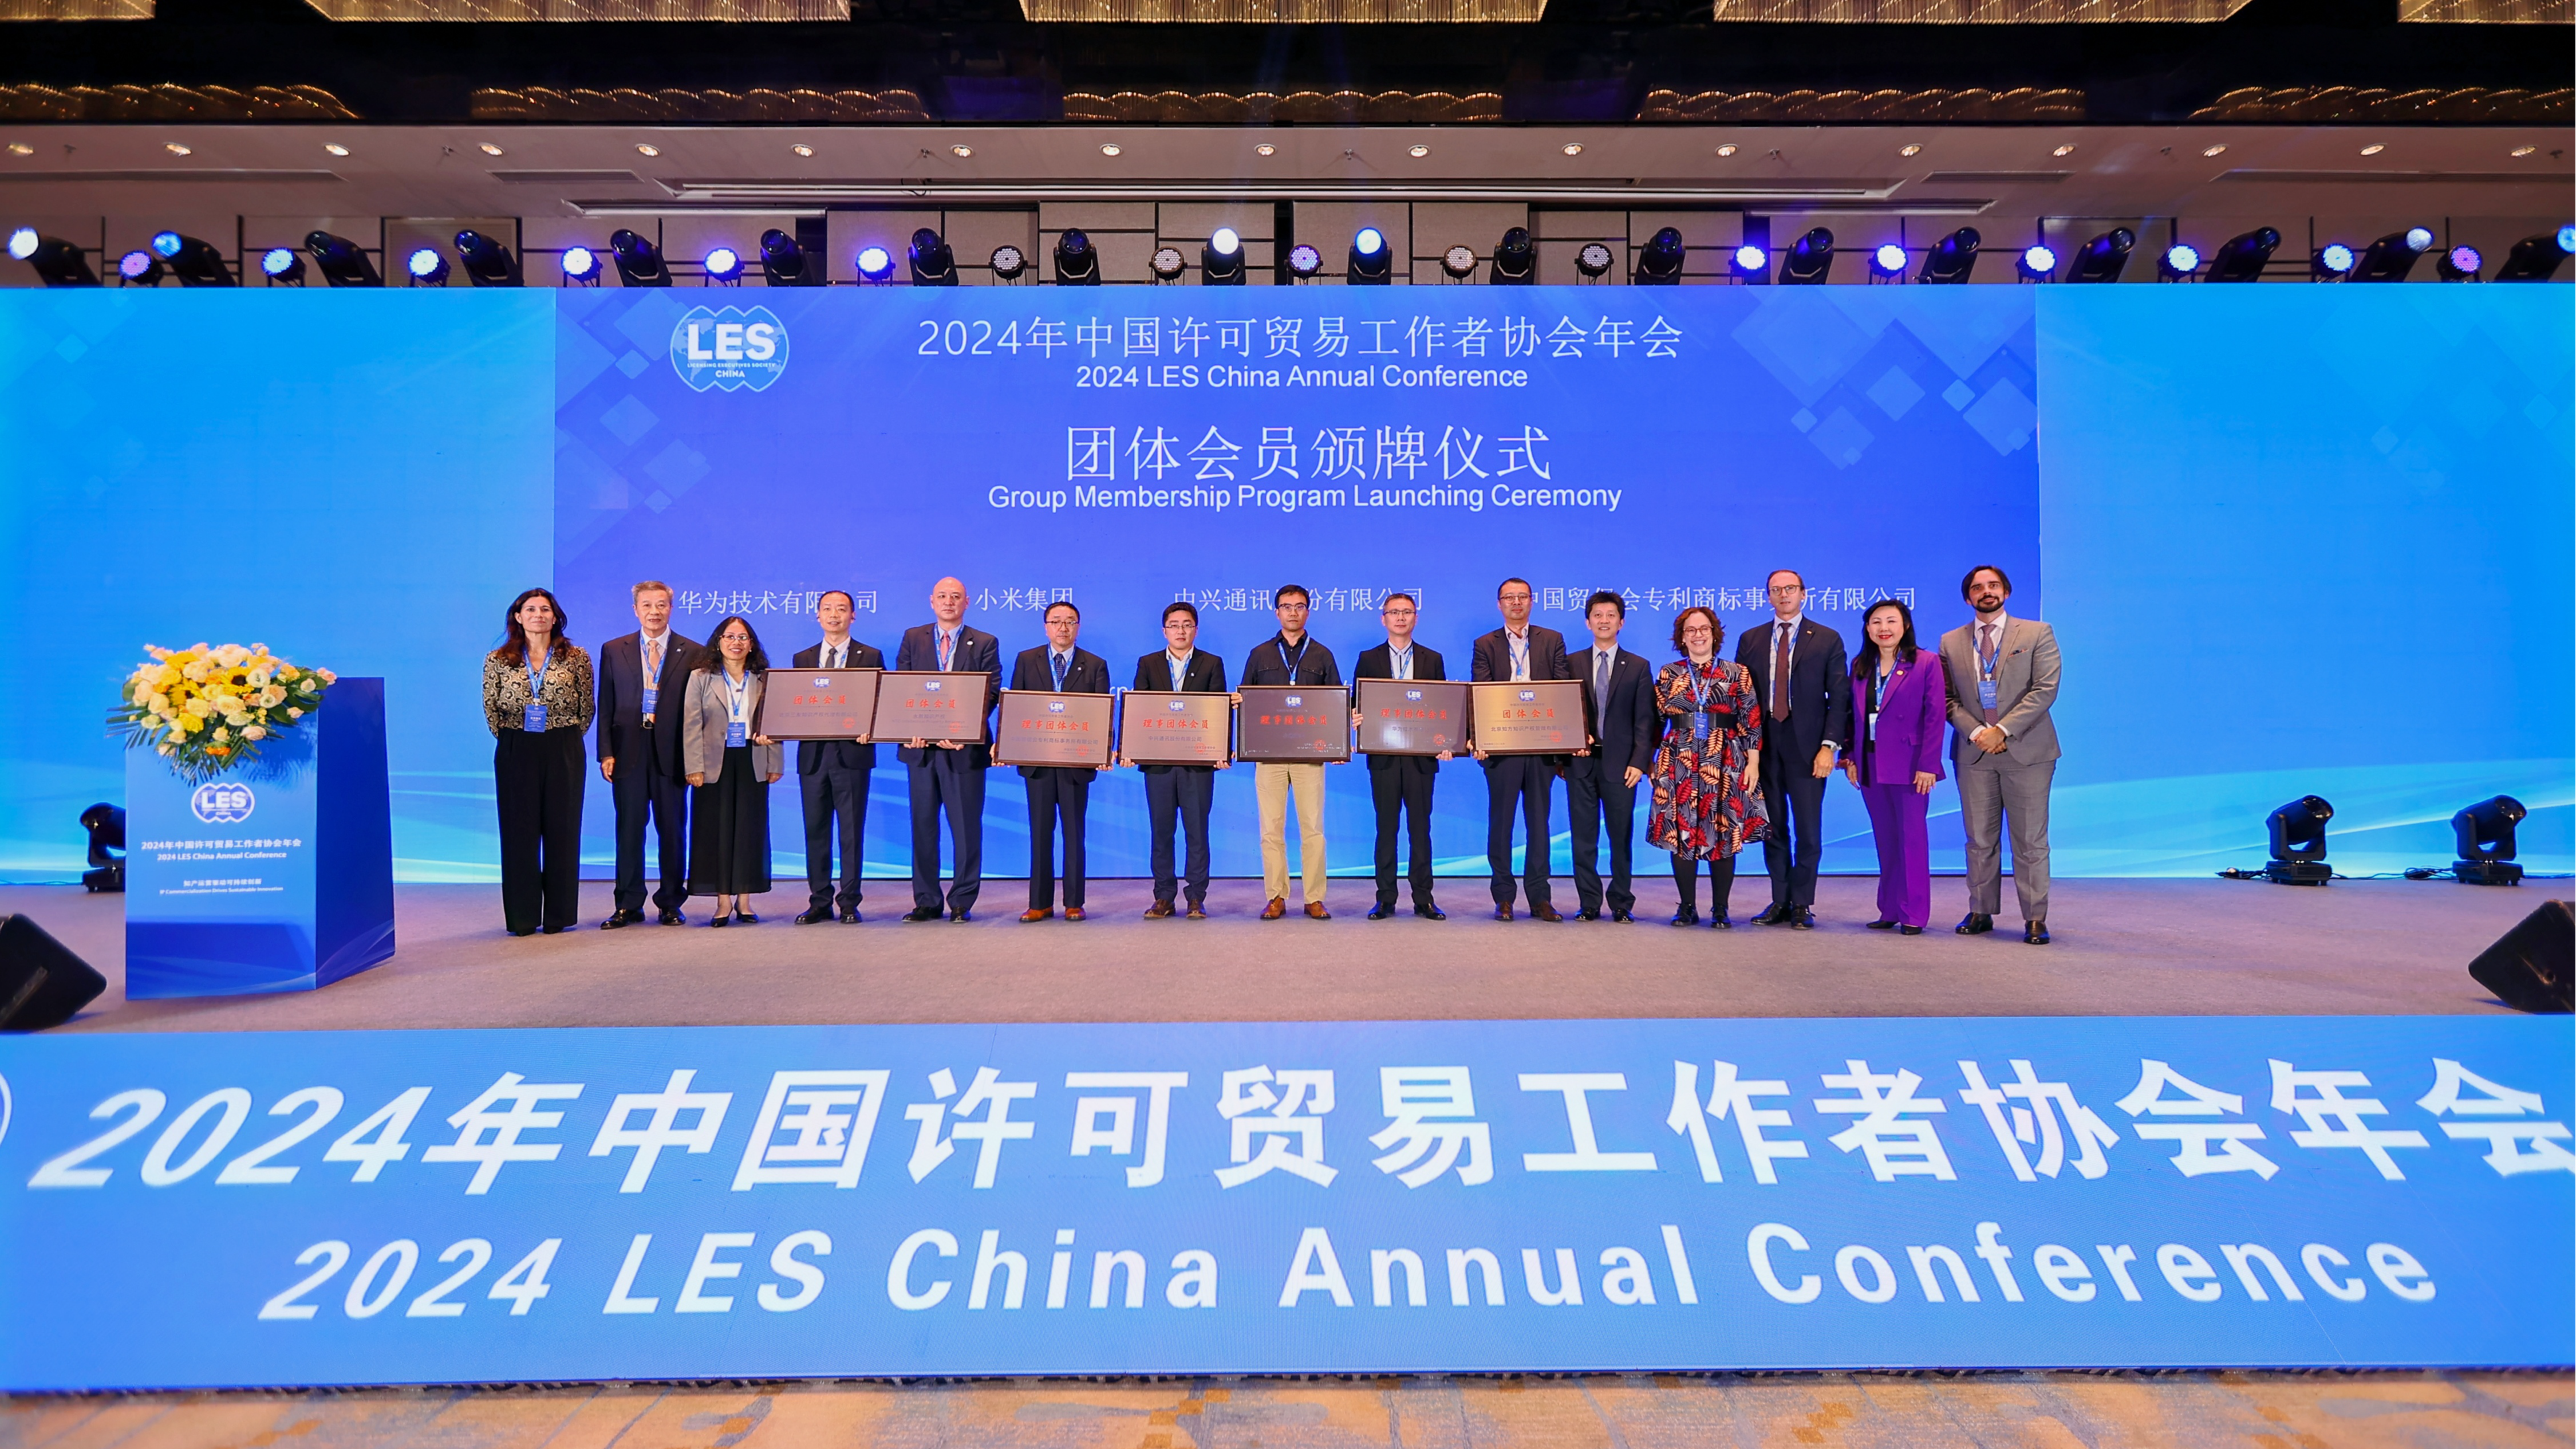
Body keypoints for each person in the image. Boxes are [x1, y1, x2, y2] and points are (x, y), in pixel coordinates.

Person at [1936, 565, 2062, 945]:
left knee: (2030, 841)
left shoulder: (2038, 633)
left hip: (2027, 751)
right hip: (1974, 753)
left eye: (1993, 586)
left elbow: (2045, 688)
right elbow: (1945, 698)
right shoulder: (1950, 642)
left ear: (2005, 593)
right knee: (1978, 839)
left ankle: (2035, 918)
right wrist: (1977, 733)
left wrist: (2001, 730)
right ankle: (1980, 910)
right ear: (1967, 598)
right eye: (1977, 588)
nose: (1985, 592)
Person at [1735, 569, 1849, 930]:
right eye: (1776, 590)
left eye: (1790, 589)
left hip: (1809, 748)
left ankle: (1802, 903)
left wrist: (1829, 746)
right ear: (1768, 597)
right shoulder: (1751, 639)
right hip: (1763, 747)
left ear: (1803, 594)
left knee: (1808, 829)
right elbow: (1743, 698)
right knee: (1774, 827)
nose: (1783, 595)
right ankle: (1780, 899)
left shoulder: (1827, 638)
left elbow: (1840, 698)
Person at [482, 587, 594, 936]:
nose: (539, 615)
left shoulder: (576, 657)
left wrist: (565, 733)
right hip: (517, 746)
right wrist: (519, 736)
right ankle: (523, 917)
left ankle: (558, 916)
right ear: (518, 617)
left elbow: (586, 707)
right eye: (531, 609)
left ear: (555, 617)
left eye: (546, 609)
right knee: (519, 834)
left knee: (563, 831)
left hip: (564, 745)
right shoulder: (497, 659)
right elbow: (491, 710)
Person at [1648, 606, 1765, 927]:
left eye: (1704, 629)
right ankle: (1687, 906)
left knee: (1724, 831)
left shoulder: (1736, 672)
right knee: (1681, 832)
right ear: (1682, 638)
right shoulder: (1668, 673)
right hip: (1679, 759)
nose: (1698, 635)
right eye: (1690, 630)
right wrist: (1651, 763)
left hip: (1725, 758)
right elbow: (1656, 722)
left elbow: (1751, 719)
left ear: (1715, 633)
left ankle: (1720, 908)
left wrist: (1752, 762)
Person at [596, 581, 704, 927]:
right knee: (629, 830)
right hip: (627, 752)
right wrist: (605, 752)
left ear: (671, 608)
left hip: (672, 754)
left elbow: (697, 712)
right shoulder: (614, 649)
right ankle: (628, 903)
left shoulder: (693, 651)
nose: (654, 612)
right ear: (635, 609)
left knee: (672, 830)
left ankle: (671, 902)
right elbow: (606, 704)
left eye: (661, 605)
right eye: (647, 605)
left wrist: (694, 758)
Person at [895, 577, 1002, 923]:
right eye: (942, 596)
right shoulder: (914, 638)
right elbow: (903, 684)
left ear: (967, 602)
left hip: (963, 751)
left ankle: (962, 901)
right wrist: (913, 728)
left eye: (955, 597)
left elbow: (991, 691)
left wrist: (964, 730)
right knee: (923, 826)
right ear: (931, 601)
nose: (948, 602)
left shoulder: (984, 642)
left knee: (966, 828)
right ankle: (926, 900)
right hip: (921, 751)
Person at [1841, 598, 1948, 935]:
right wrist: (1851, 759)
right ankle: (1889, 908)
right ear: (1868, 629)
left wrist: (1929, 764)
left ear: (1905, 626)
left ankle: (1914, 913)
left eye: (1891, 621)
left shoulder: (1927, 663)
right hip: (1871, 764)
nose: (1884, 628)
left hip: (1910, 765)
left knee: (1912, 841)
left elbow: (1935, 717)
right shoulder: (1861, 665)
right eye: (1876, 622)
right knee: (1886, 840)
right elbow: (1851, 718)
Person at [1470, 577, 1573, 922]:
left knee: (1539, 824)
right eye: (1509, 597)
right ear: (1499, 604)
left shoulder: (1552, 640)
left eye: (1522, 597)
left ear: (1533, 601)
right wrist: (1480, 740)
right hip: (1502, 749)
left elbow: (1562, 691)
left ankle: (1540, 897)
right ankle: (1503, 897)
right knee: (1501, 824)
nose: (1516, 602)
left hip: (1541, 747)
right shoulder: (1485, 644)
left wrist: (1565, 747)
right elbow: (1479, 694)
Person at [1241, 584, 1341, 921]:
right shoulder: (1259, 654)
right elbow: (1247, 704)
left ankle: (1314, 897)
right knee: (1271, 828)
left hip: (1309, 755)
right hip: (1269, 755)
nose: (1293, 612)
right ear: (1277, 612)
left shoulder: (1323, 655)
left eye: (1300, 606)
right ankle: (1276, 895)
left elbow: (1336, 704)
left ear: (1308, 611)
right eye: (1286, 606)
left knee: (1312, 828)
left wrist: (1339, 744)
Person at [1350, 591, 1449, 920]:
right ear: (1384, 618)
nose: (1401, 618)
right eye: (1394, 612)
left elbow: (1442, 708)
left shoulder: (1432, 659)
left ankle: (1424, 899)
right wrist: (1355, 718)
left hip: (1422, 758)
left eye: (1407, 612)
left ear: (1416, 618)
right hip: (1384, 758)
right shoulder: (1368, 658)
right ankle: (1386, 899)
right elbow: (1358, 706)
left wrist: (1447, 740)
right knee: (1386, 828)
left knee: (1421, 830)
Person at [1011, 599, 1111, 922]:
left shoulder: (1095, 665)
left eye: (1070, 622)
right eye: (1056, 621)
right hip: (1038, 763)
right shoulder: (1027, 660)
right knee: (1040, 832)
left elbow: (1101, 715)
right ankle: (1039, 902)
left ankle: (1074, 902)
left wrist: (1102, 750)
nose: (1063, 628)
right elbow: (1018, 707)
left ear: (1078, 627)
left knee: (1074, 832)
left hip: (1075, 764)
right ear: (1046, 627)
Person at [1128, 600, 1229, 919]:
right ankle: (1164, 896)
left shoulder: (1212, 663)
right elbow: (1139, 710)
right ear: (1164, 631)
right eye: (1174, 625)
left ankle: (1196, 897)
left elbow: (1219, 711)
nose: (1181, 631)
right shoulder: (1148, 663)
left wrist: (1221, 751)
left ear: (1196, 630)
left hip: (1198, 764)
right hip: (1158, 765)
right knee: (1161, 831)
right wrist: (1131, 747)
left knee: (1197, 831)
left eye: (1187, 625)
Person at [681, 615, 784, 926]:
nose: (736, 643)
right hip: (714, 763)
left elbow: (775, 722)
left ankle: (745, 900)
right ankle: (722, 901)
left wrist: (775, 761)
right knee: (717, 829)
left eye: (743, 638)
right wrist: (694, 766)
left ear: (751, 644)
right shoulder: (701, 677)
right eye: (730, 637)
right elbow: (691, 725)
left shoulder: (765, 678)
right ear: (718, 642)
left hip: (753, 759)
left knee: (749, 830)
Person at [1564, 590, 1659, 923]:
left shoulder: (1638, 666)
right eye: (1598, 615)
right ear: (1588, 622)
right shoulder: (1571, 662)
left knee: (1620, 837)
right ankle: (1589, 901)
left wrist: (1639, 761)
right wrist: (1566, 749)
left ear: (1622, 622)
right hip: (1580, 762)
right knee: (1583, 837)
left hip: (1623, 766)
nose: (1604, 621)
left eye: (1610, 615)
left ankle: (1621, 902)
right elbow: (1561, 713)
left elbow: (1646, 721)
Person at [790, 591, 881, 926]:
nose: (834, 615)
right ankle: (819, 900)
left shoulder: (870, 655)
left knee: (851, 832)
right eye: (827, 609)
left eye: (841, 609)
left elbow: (879, 702)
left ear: (853, 616)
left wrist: (870, 728)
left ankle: (849, 902)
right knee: (815, 830)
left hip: (852, 756)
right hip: (813, 757)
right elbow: (794, 705)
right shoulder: (803, 658)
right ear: (817, 616)